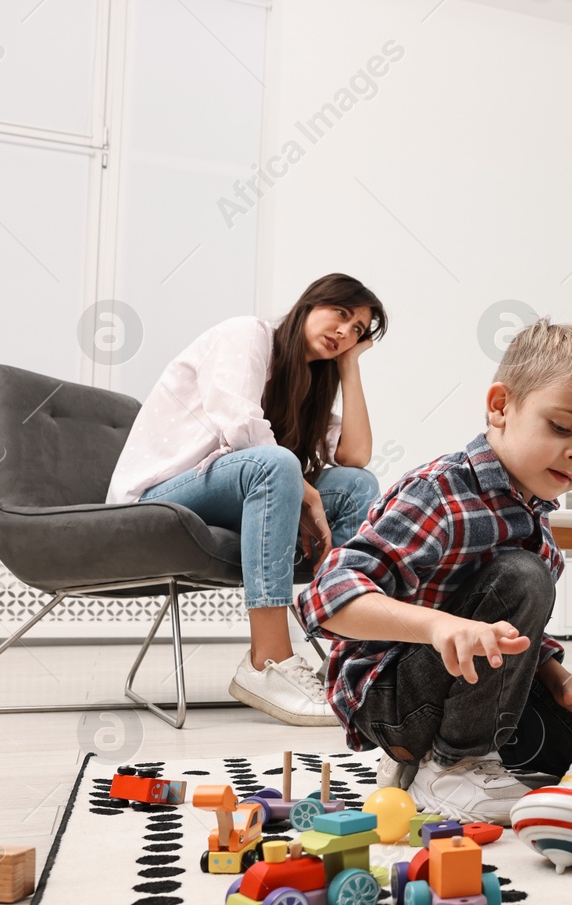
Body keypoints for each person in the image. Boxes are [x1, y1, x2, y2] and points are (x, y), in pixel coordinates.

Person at [295, 320, 572, 823]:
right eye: (563, 428)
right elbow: (328, 598)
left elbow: (511, 634)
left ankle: (481, 749)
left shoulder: (534, 519)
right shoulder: (439, 493)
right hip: (392, 701)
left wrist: (562, 683)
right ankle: (453, 765)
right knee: (523, 576)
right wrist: (439, 627)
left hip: (470, 689)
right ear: (500, 407)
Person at [106, 273, 387, 727]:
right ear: (311, 304)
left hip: (231, 493)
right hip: (159, 498)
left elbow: (354, 456)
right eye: (341, 314)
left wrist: (349, 368)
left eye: (358, 330)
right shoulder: (248, 334)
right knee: (275, 464)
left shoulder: (311, 379)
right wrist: (304, 492)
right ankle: (268, 661)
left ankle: (346, 650)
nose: (345, 332)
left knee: (356, 483)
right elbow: (240, 427)